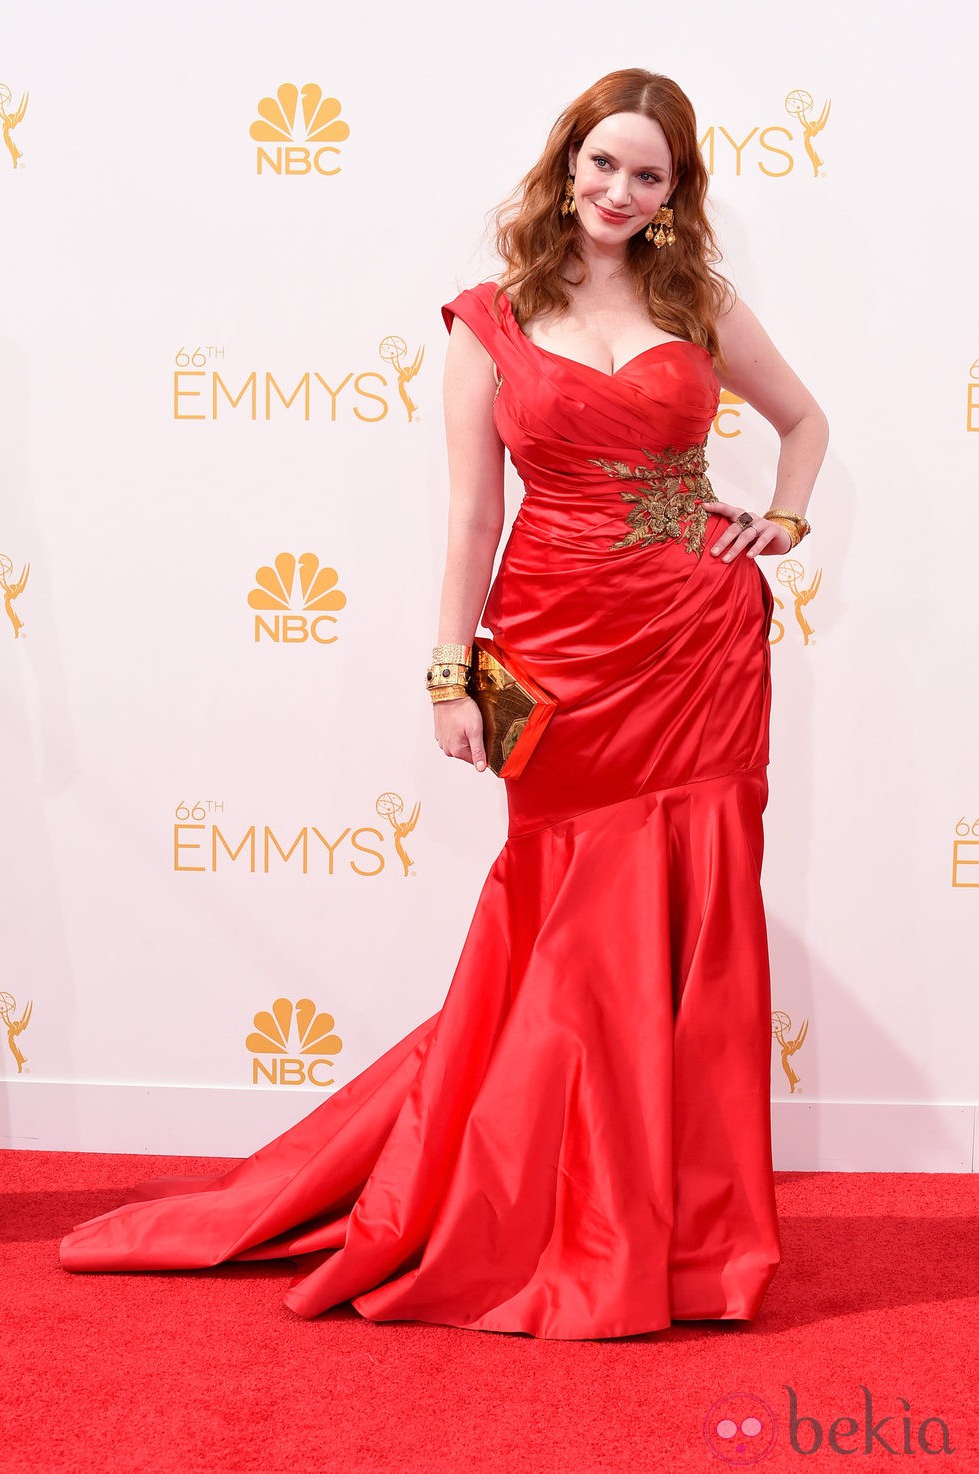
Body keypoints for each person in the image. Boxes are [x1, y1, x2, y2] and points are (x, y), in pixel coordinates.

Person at [61, 69, 828, 1341]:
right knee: (565, 928)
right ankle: (543, 1208)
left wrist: (779, 523)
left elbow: (803, 421)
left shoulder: (699, 301)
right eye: (601, 166)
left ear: (676, 188)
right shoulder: (491, 314)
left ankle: (670, 1233)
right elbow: (474, 513)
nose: (619, 192)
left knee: (690, 930)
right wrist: (446, 673)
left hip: (696, 646)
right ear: (564, 163)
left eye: (648, 174)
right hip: (557, 655)